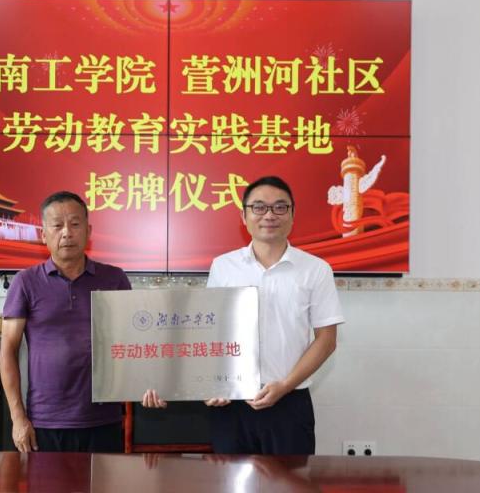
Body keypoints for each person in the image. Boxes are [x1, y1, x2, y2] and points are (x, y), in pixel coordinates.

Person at [143, 176, 344, 455]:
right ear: (244, 216)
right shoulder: (224, 266)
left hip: (289, 402)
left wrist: (285, 386)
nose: (269, 215)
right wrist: (210, 384)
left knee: (291, 479)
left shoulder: (315, 269)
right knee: (230, 477)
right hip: (231, 405)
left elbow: (326, 340)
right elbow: (210, 331)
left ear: (292, 214)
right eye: (259, 207)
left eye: (280, 207)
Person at [0, 191, 131, 453]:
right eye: (57, 225)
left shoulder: (114, 279)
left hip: (103, 419)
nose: (67, 233)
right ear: (43, 234)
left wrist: (148, 384)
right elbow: (7, 351)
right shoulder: (25, 282)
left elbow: (133, 341)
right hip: (45, 422)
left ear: (88, 230)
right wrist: (18, 417)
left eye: (75, 224)